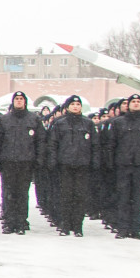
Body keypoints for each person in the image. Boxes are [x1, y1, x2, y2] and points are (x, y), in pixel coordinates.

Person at [0, 90, 43, 234]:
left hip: (26, 162)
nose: (19, 101)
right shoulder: (4, 120)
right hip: (8, 162)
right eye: (17, 99)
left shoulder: (34, 120)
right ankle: (9, 222)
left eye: (21, 99)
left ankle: (21, 222)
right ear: (13, 102)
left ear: (25, 102)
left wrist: (38, 160)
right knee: (9, 193)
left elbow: (40, 142)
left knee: (22, 194)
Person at [109, 92, 140, 239]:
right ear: (128, 105)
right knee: (123, 197)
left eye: (138, 101)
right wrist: (111, 163)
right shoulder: (119, 122)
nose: (136, 103)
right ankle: (122, 228)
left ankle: (136, 228)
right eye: (133, 101)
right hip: (123, 165)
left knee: (137, 199)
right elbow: (112, 145)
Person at [48, 94, 94, 237]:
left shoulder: (88, 124)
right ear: (67, 107)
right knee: (65, 196)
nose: (76, 106)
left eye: (78, 104)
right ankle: (65, 225)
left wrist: (94, 163)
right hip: (65, 164)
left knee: (80, 196)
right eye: (73, 104)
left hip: (82, 165)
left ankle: (78, 226)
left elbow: (95, 146)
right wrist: (53, 162)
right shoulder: (59, 124)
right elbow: (53, 145)